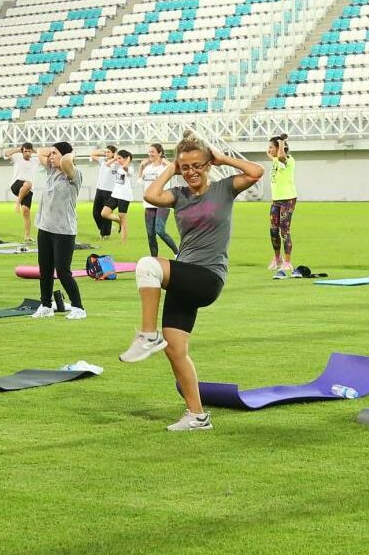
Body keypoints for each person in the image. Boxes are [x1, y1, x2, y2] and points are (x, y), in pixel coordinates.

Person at [119, 130, 264, 431]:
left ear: (207, 164)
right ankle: (197, 415)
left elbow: (256, 172)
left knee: (148, 265)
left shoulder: (224, 188)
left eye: (197, 165)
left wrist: (221, 157)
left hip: (207, 277)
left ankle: (148, 334)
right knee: (175, 350)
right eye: (186, 168)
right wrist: (173, 166)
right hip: (183, 277)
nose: (192, 172)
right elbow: (150, 196)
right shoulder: (179, 196)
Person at [30, 141, 87, 321]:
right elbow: (40, 152)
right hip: (45, 227)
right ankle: (46, 305)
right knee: (45, 270)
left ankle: (78, 307)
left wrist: (71, 153)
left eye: (55, 153)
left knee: (63, 271)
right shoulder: (51, 171)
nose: (51, 156)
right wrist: (55, 151)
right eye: (51, 153)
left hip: (64, 230)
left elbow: (66, 162)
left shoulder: (74, 174)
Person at [139, 143, 179, 258]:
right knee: (150, 234)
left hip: (162, 202)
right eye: (149, 151)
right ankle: (154, 259)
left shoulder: (165, 168)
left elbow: (174, 168)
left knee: (160, 230)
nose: (150, 154)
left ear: (160, 153)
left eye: (152, 152)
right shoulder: (147, 168)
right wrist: (141, 167)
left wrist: (165, 161)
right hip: (149, 204)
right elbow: (140, 181)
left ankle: (177, 253)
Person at [266, 133, 298, 274]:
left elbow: (281, 157)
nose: (269, 150)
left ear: (279, 149)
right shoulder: (275, 160)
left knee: (284, 230)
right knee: (273, 230)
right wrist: (278, 142)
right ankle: (277, 258)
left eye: (271, 147)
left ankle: (287, 262)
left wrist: (281, 141)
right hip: (276, 200)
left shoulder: (288, 161)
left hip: (287, 199)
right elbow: (271, 155)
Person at [4, 142, 39, 243]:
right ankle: (17, 203)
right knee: (28, 183)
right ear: (22, 151)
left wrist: (35, 150)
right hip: (16, 184)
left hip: (28, 190)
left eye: (29, 151)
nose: (27, 153)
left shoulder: (35, 160)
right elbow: (6, 153)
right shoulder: (17, 157)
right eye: (25, 151)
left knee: (26, 212)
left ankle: (27, 236)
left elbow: (46, 155)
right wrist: (18, 150)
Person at [100, 149, 133, 242]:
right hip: (115, 195)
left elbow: (125, 167)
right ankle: (119, 221)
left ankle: (124, 242)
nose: (117, 160)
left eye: (120, 158)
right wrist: (115, 159)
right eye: (117, 158)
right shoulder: (116, 166)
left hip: (124, 196)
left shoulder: (130, 168)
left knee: (123, 218)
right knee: (104, 213)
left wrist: (128, 160)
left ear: (126, 159)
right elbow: (107, 164)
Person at [90, 145, 117, 239]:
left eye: (109, 152)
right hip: (99, 189)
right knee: (95, 213)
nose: (106, 153)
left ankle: (105, 234)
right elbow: (92, 154)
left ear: (114, 153)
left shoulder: (116, 163)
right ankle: (105, 229)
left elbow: (109, 164)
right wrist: (104, 151)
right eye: (106, 152)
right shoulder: (102, 160)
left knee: (105, 213)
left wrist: (115, 157)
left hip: (110, 191)